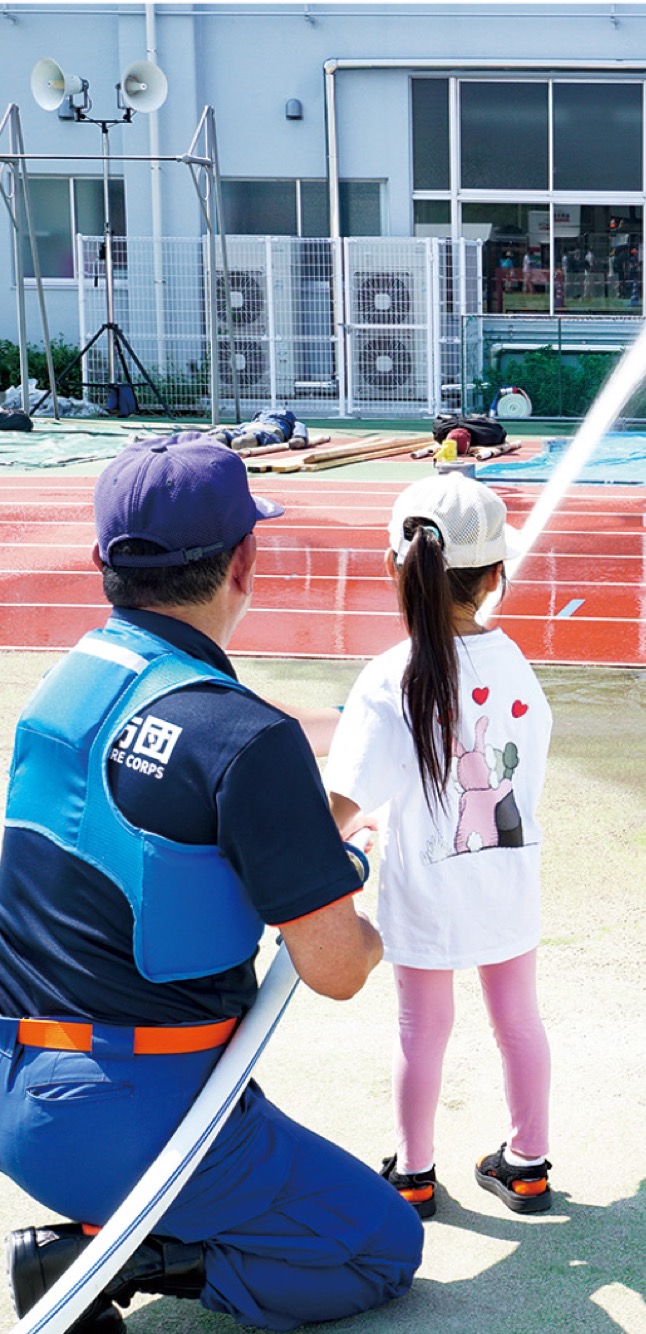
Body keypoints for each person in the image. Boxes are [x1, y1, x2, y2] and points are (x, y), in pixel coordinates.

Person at [0, 434, 423, 1333]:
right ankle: (107, 1259)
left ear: (104, 563)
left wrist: (338, 739)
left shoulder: (68, 683)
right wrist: (366, 897)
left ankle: (118, 1229)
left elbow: (187, 760)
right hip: (126, 1113)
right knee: (381, 1247)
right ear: (244, 561)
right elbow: (335, 969)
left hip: (17, 1085)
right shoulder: (242, 742)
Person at [323, 472, 554, 1221]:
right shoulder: (516, 666)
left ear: (395, 566)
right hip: (506, 878)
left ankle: (414, 1175)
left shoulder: (389, 678)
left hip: (424, 889)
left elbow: (341, 804)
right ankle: (527, 1166)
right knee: (518, 1020)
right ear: (494, 576)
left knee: (422, 1029)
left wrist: (351, 830)